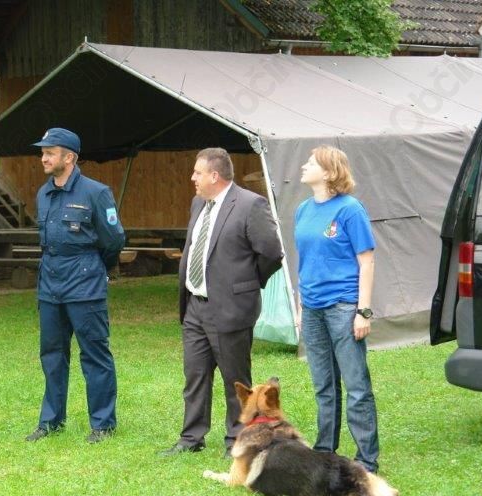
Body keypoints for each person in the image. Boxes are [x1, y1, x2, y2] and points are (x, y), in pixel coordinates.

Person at [160, 147, 283, 457]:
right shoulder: (198, 203)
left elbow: (271, 252)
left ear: (214, 176)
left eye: (197, 172)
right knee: (195, 376)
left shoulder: (250, 204)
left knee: (235, 379)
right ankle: (191, 438)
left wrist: (246, 283)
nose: (193, 178)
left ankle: (238, 440)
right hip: (195, 306)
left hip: (231, 308)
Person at [25, 127, 126, 444]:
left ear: (69, 157)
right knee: (52, 355)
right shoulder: (44, 194)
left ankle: (103, 424)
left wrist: (95, 268)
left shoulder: (96, 193)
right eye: (43, 153)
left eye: (50, 153)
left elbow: (114, 240)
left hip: (84, 284)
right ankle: (51, 421)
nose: (43, 158)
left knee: (94, 354)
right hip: (50, 284)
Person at [294, 145, 379, 473]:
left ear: (329, 172)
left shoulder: (350, 209)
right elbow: (305, 262)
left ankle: (366, 460)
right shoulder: (303, 210)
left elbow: (367, 261)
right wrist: (301, 305)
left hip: (343, 307)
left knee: (356, 385)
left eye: (311, 163)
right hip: (312, 308)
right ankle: (325, 452)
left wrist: (363, 311)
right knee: (323, 385)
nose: (304, 166)